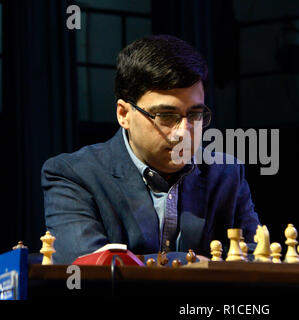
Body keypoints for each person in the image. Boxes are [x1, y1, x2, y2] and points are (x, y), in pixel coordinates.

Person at [41, 35, 260, 264]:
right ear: (124, 114)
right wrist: (199, 265)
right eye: (166, 116)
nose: (183, 132)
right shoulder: (73, 175)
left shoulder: (226, 174)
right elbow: (90, 271)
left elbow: (257, 266)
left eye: (195, 115)